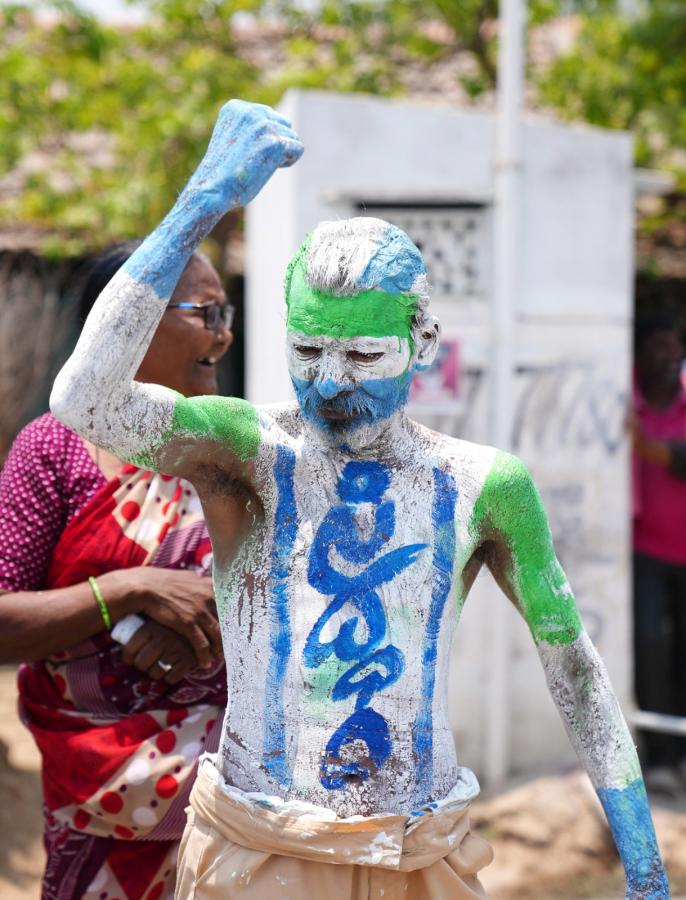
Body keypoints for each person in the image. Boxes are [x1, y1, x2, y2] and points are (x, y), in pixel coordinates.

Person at [50, 100, 668, 899]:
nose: (331, 383)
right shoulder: (249, 453)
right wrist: (203, 198)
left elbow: (575, 674)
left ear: (423, 344)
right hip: (256, 850)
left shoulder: (483, 485)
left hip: (420, 855)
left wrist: (646, 870)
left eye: (365, 353)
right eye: (307, 351)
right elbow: (84, 400)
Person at [0, 243, 234, 899]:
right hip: (97, 808)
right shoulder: (55, 450)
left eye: (226, 311)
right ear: (126, 322)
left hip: (234, 807)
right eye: (206, 312)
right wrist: (130, 590)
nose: (225, 331)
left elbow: (299, 589)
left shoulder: (237, 448)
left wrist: (206, 612)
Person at [631, 314, 686, 791]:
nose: (670, 357)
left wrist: (650, 449)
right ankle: (662, 758)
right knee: (650, 648)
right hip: (646, 551)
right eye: (659, 348)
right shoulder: (627, 399)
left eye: (675, 348)